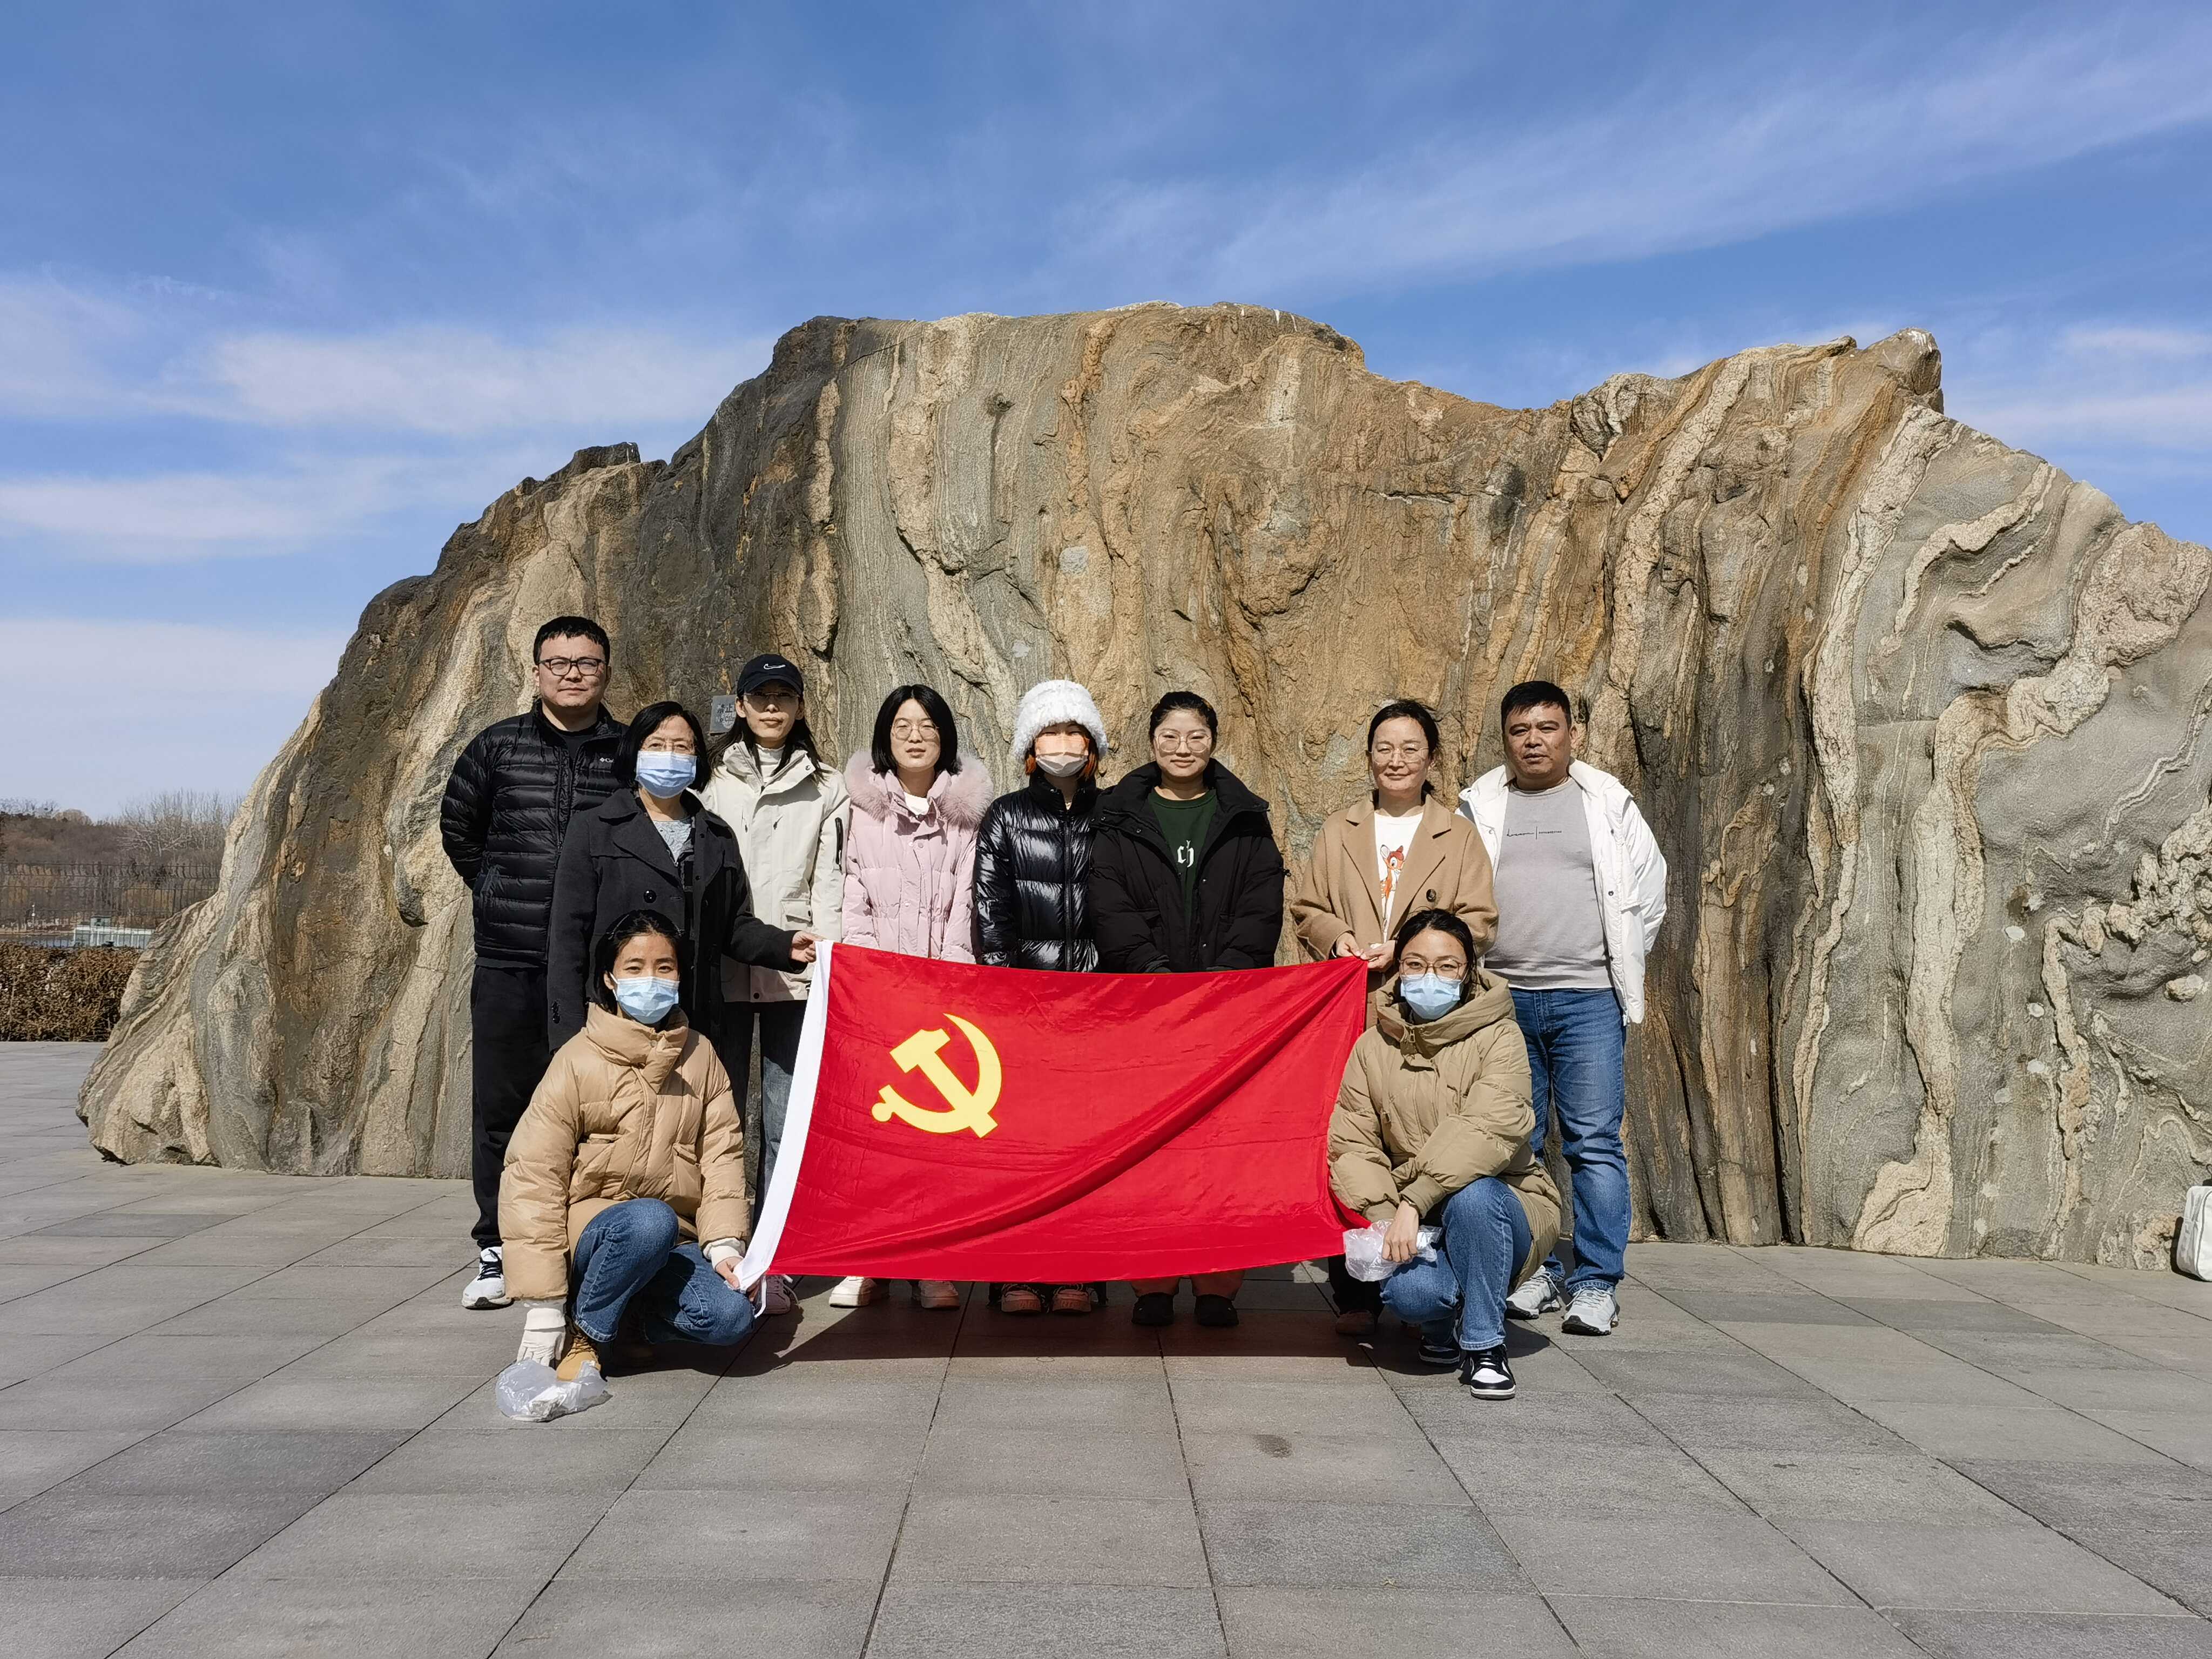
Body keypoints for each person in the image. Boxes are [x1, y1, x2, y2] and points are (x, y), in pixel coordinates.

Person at [1458, 680, 1667, 1337]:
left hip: (1587, 999)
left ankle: (1597, 1282)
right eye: (1520, 730)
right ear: (1504, 739)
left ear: (1571, 733)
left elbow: (1647, 894)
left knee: (1593, 1142)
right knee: (1515, 1141)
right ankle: (1537, 1269)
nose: (1534, 741)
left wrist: (1613, 966)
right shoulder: (1479, 805)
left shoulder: (1606, 800)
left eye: (1547, 728)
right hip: (1502, 1001)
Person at [1290, 698, 1498, 1337]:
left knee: (1426, 1129)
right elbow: (1307, 907)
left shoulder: (1456, 834)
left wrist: (1410, 949)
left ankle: (1432, 1273)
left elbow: (1479, 920)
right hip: (1352, 1009)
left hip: (1428, 1012)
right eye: (1384, 747)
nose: (1396, 760)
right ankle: (1355, 1289)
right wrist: (1338, 940)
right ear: (1369, 757)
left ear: (1431, 758)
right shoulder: (1340, 829)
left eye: (1410, 748)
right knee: (1351, 1139)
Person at [441, 616, 625, 1311]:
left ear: (606, 671)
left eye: (587, 662)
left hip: (595, 969)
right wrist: (495, 889)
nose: (572, 674)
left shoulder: (628, 751)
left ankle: (583, 1243)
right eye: (558, 662)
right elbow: (459, 828)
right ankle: (498, 1246)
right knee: (503, 1108)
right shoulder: (497, 747)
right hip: (510, 960)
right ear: (537, 670)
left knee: (597, 1110)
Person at [1091, 690, 1286, 1328]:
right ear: (1152, 742)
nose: (1183, 748)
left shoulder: (1244, 818)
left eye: (1196, 736)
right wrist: (1151, 973)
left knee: (1218, 1149)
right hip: (1143, 1009)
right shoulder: (1118, 816)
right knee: (1150, 1148)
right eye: (1170, 736)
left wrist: (1222, 980)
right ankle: (1152, 1281)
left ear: (1213, 741)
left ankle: (1217, 1284)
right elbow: (1108, 902)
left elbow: (1261, 905)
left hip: (1225, 1012)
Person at [503, 910, 758, 1380]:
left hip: (673, 1238)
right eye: (635, 968)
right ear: (610, 979)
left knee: (731, 1318)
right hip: (594, 1234)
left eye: (665, 967)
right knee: (648, 1220)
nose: (651, 980)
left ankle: (627, 1320)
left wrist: (725, 1245)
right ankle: (585, 1331)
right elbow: (533, 1175)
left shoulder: (701, 1055)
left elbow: (722, 1156)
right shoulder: (577, 1060)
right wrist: (543, 1303)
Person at [1329, 908, 1562, 1399]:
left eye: (1447, 966)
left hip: (1504, 1202)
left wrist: (1415, 1200)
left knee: (1473, 1197)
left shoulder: (1500, 1036)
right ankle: (1439, 1331)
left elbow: (1488, 1128)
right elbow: (1353, 1143)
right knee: (1412, 1295)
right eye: (1415, 964)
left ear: (1468, 971)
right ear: (1398, 970)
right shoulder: (1372, 1047)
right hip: (1413, 1212)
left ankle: (1485, 1345)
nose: (1429, 977)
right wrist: (1387, 1216)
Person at [699, 654, 848, 1318]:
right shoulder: (709, 779)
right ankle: (722, 1248)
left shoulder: (826, 785)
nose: (770, 707)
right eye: (759, 697)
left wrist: (828, 962)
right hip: (724, 969)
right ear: (738, 705)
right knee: (721, 1118)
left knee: (787, 1124)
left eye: (783, 696)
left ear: (799, 707)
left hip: (796, 969)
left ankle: (778, 1259)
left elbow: (830, 880)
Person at [838, 683, 993, 1311]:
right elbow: (849, 893)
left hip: (942, 996)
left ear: (944, 736)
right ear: (885, 734)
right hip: (874, 994)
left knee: (936, 1136)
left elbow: (968, 905)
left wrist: (946, 982)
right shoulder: (858, 811)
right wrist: (872, 977)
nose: (915, 735)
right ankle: (869, 1260)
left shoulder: (967, 817)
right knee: (871, 1132)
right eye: (902, 724)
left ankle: (932, 1264)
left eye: (927, 725)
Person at [547, 699, 817, 1043]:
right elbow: (568, 939)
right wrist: (568, 1034)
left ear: (696, 758)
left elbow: (734, 926)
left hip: (696, 1020)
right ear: (634, 753)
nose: (669, 756)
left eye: (681, 747)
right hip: (615, 1019)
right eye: (656, 745)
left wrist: (785, 945)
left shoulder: (718, 835)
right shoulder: (593, 829)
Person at [972, 679, 1110, 1317]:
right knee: (1021, 1145)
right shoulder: (1005, 816)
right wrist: (1009, 994)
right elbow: (990, 913)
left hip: (1098, 1005)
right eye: (1049, 733)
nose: (1062, 745)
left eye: (1072, 732)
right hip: (1024, 1006)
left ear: (1092, 745)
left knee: (1089, 1144)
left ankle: (1080, 1269)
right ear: (1030, 747)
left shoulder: (1115, 816)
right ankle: (1017, 1272)